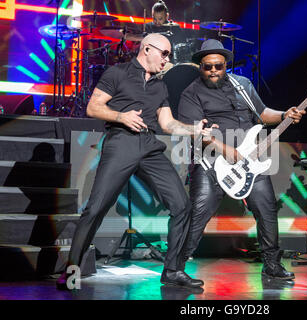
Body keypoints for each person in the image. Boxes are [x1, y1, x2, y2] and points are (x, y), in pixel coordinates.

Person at [57, 33, 212, 290]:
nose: (167, 60)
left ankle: (172, 270)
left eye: (169, 55)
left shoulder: (161, 86)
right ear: (147, 49)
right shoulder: (117, 73)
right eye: (164, 54)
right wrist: (121, 116)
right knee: (95, 208)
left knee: (182, 204)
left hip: (150, 146)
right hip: (122, 141)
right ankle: (71, 271)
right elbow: (93, 107)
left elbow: (167, 123)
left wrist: (195, 130)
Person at [177, 39, 305, 280]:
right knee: (198, 213)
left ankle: (271, 264)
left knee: (266, 209)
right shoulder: (191, 93)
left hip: (249, 161)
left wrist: (284, 114)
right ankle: (176, 266)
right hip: (211, 163)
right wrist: (225, 149)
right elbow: (196, 133)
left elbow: (263, 113)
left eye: (219, 66)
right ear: (200, 66)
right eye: (208, 66)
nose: (213, 70)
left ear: (226, 65)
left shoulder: (242, 84)